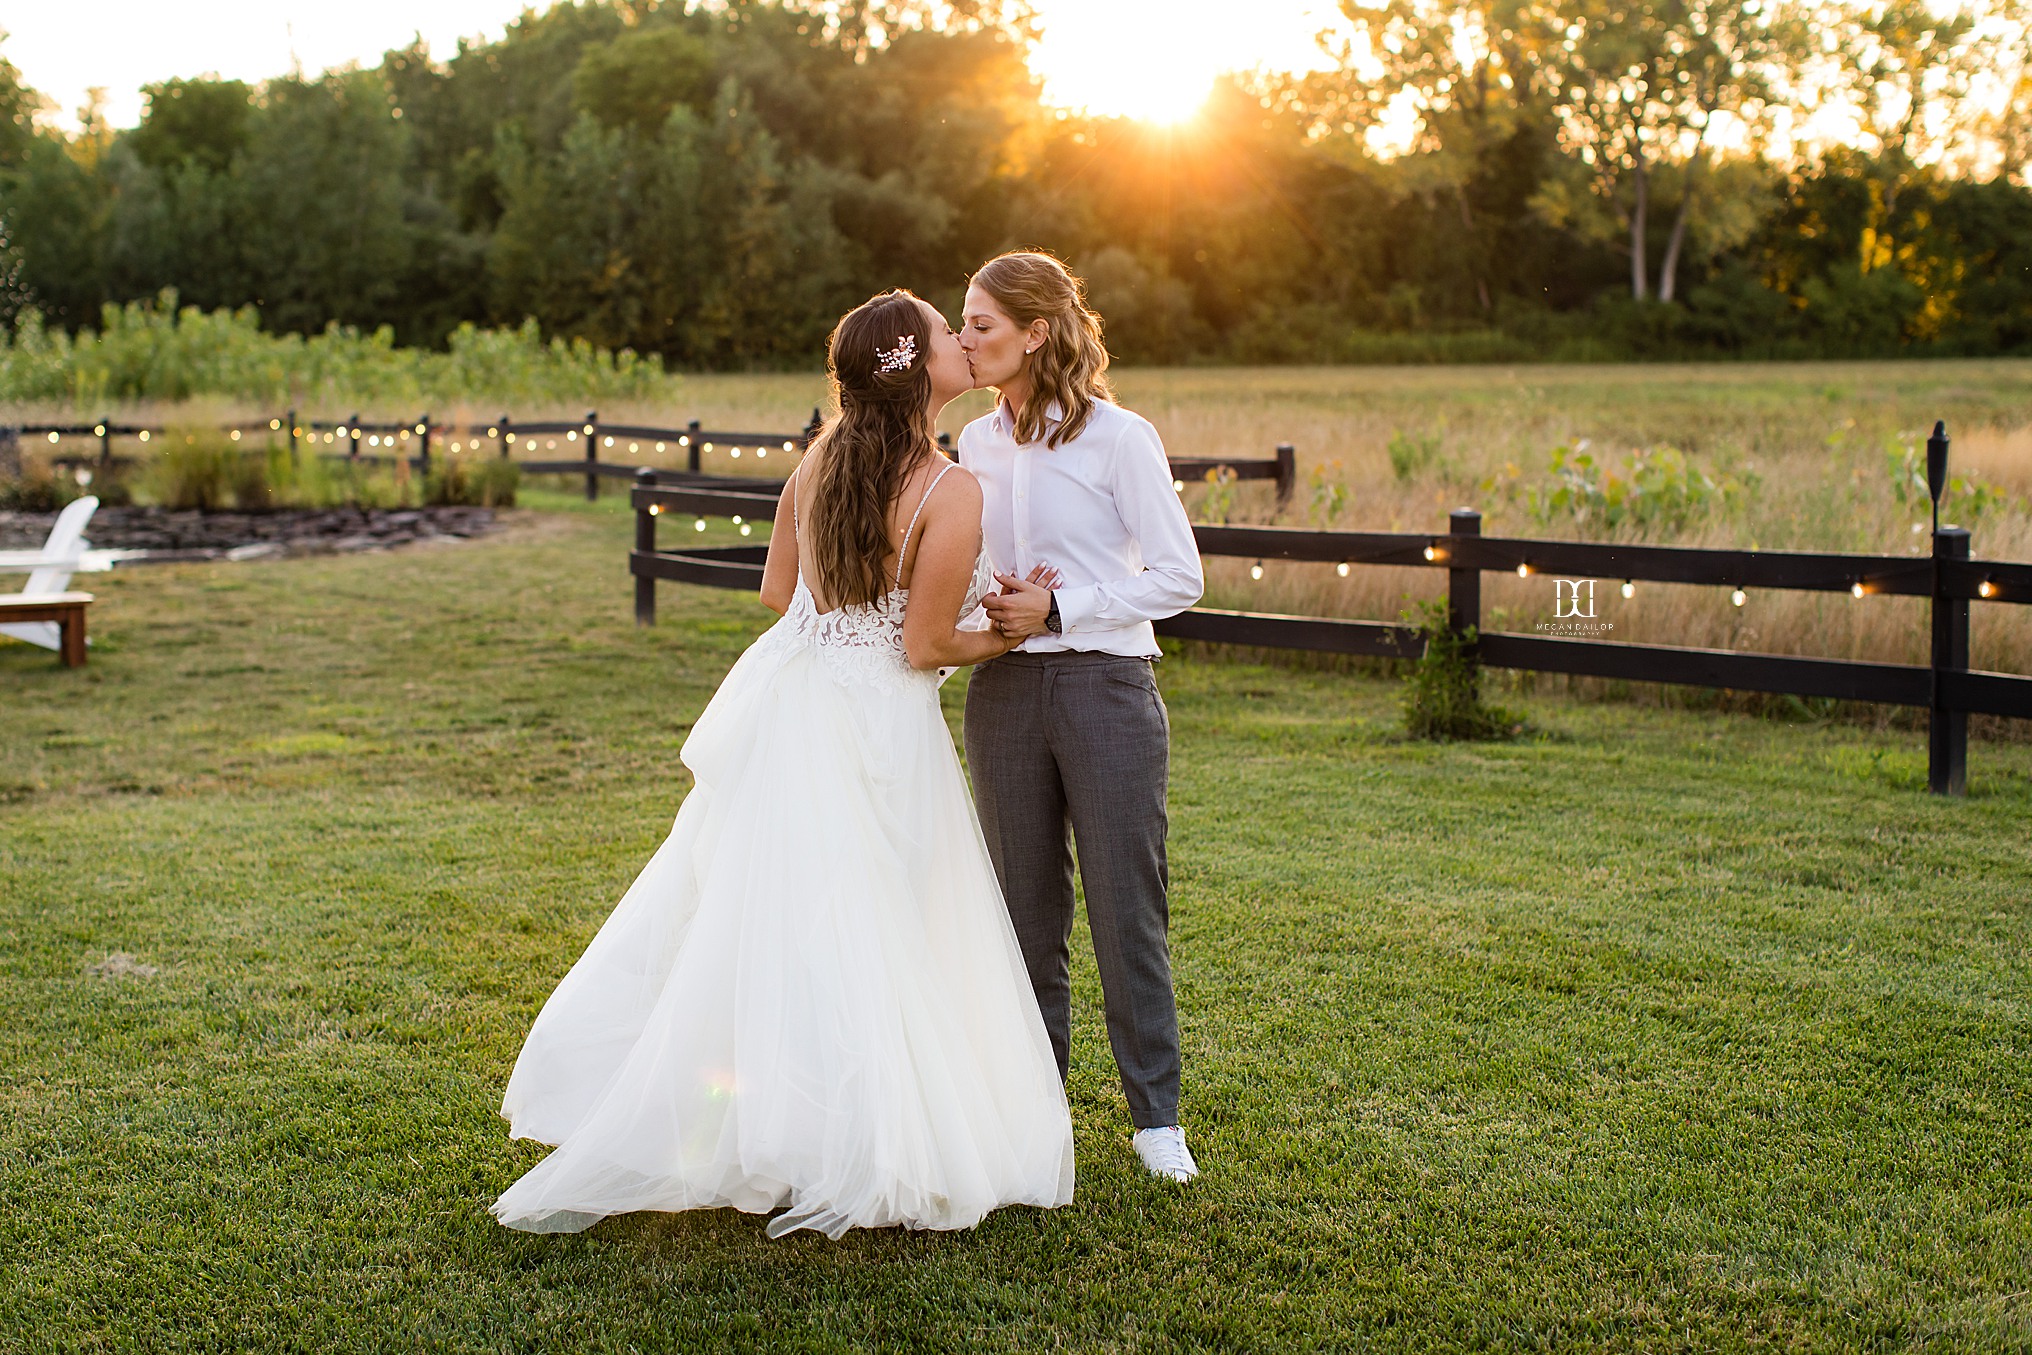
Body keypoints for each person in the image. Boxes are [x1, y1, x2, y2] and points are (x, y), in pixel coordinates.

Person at [491, 290, 1074, 1239]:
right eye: (944, 334)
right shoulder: (948, 487)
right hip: (878, 719)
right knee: (880, 917)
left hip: (790, 701)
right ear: (919, 368)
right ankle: (856, 1139)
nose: (961, 344)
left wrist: (844, 622)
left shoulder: (820, 458)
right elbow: (926, 645)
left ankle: (775, 1126)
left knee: (768, 917)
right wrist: (1008, 632)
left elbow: (776, 590)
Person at [956, 251, 1207, 1183]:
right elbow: (971, 561)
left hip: (1106, 686)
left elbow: (1179, 576)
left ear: (1037, 331)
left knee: (1124, 903)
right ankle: (1035, 1107)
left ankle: (1156, 1119)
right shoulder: (973, 446)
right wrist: (998, 600)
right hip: (1005, 693)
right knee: (1023, 912)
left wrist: (1061, 609)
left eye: (982, 324)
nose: (966, 339)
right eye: (964, 324)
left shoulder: (1120, 437)